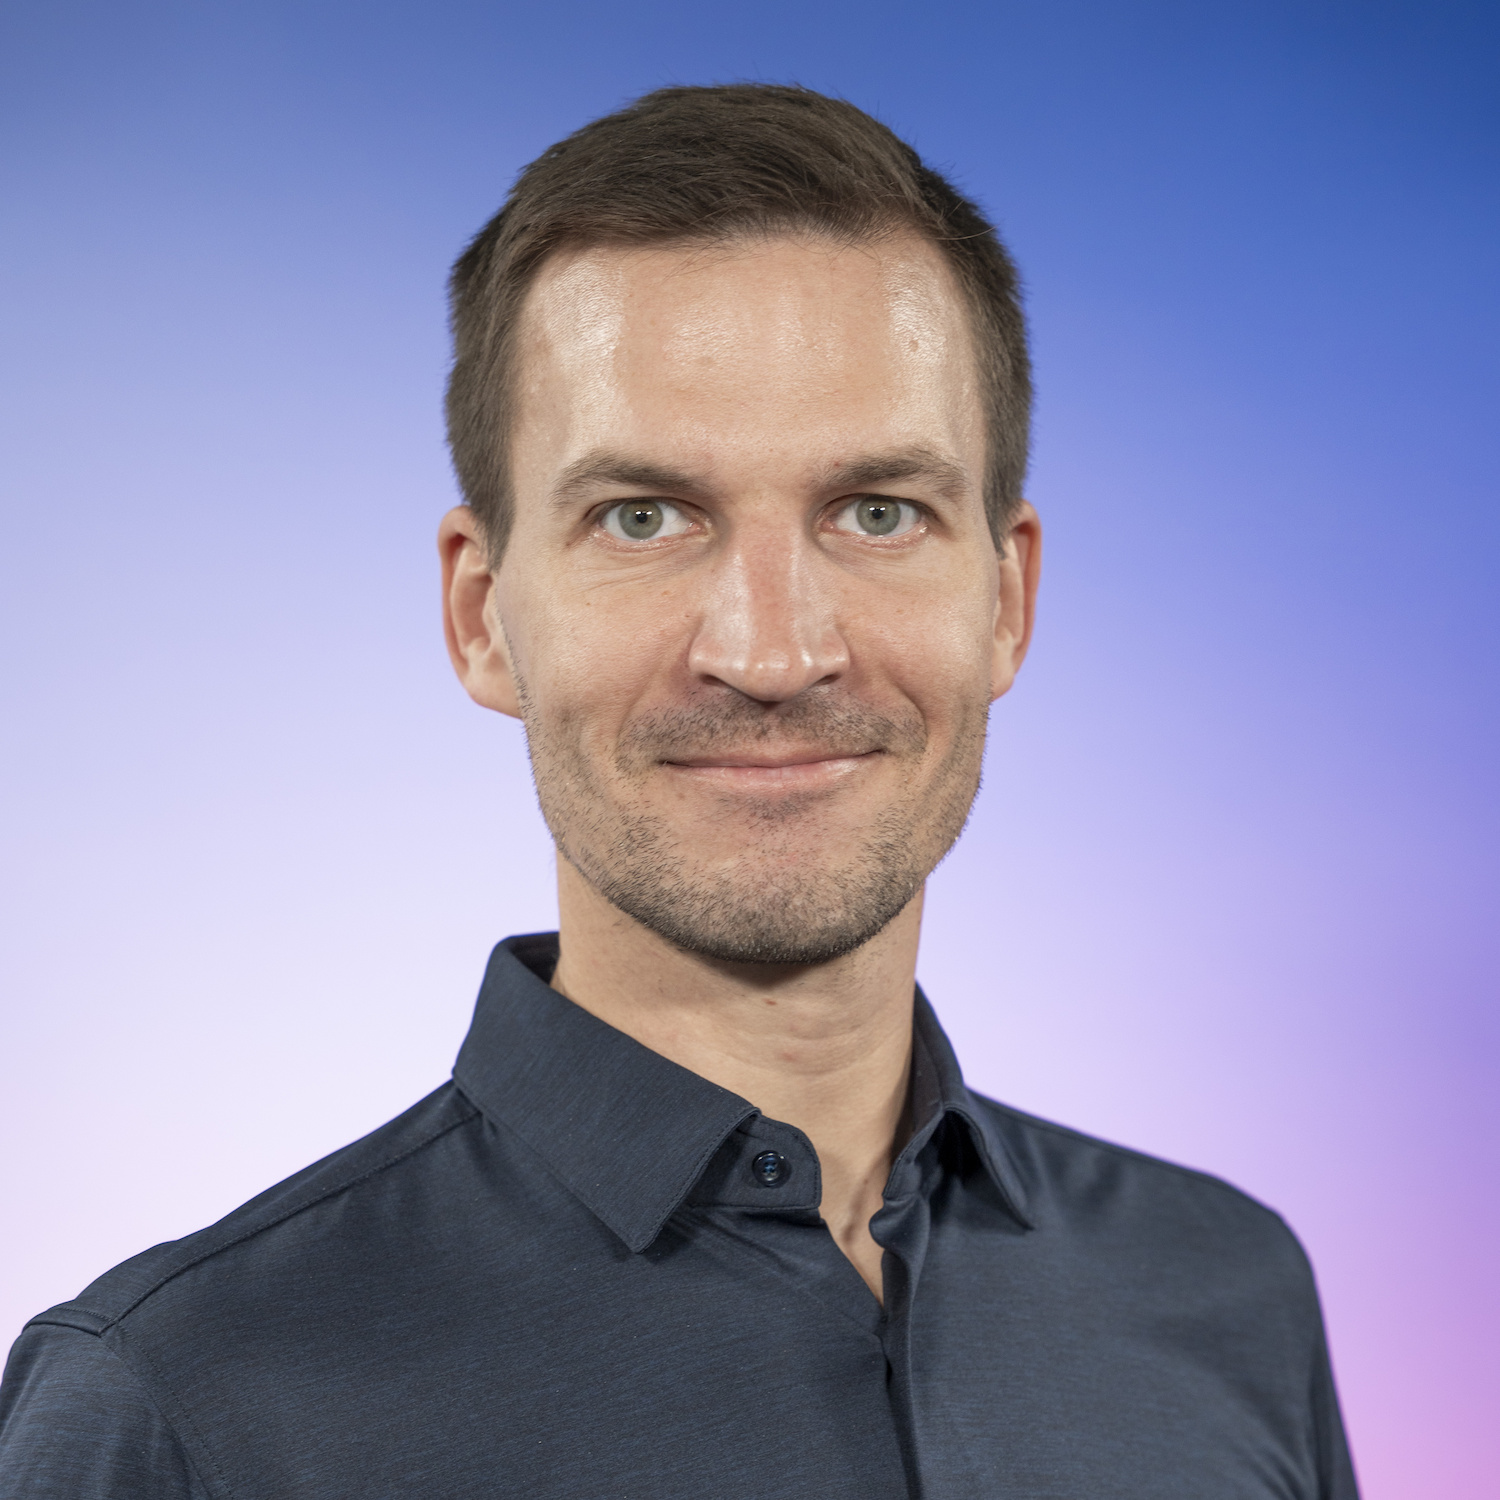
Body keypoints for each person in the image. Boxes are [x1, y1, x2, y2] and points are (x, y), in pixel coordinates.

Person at [0, 84, 1358, 1499]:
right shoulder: (181, 1408)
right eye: (642, 518)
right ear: (481, 616)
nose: (771, 653)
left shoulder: (1224, 1292)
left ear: (1006, 600)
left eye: (878, 512)